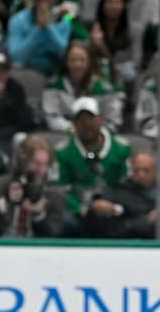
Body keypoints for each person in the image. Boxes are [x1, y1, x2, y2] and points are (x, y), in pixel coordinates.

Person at [54, 96, 131, 235]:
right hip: (79, 213)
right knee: (64, 221)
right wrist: (81, 209)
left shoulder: (121, 149)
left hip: (113, 209)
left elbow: (126, 184)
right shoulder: (63, 152)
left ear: (100, 119)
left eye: (90, 118)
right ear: (74, 123)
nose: (86, 124)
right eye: (80, 120)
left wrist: (113, 206)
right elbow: (61, 189)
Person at [82, 151, 160, 239]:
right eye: (137, 170)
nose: (141, 175)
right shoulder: (119, 192)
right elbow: (106, 228)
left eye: (146, 170)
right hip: (132, 245)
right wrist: (145, 222)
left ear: (156, 171)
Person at [0, 134, 63, 237]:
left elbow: (54, 232)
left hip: (36, 245)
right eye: (36, 163)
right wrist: (5, 204)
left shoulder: (53, 194)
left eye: (45, 165)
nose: (40, 170)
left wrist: (39, 214)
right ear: (23, 161)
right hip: (2, 243)